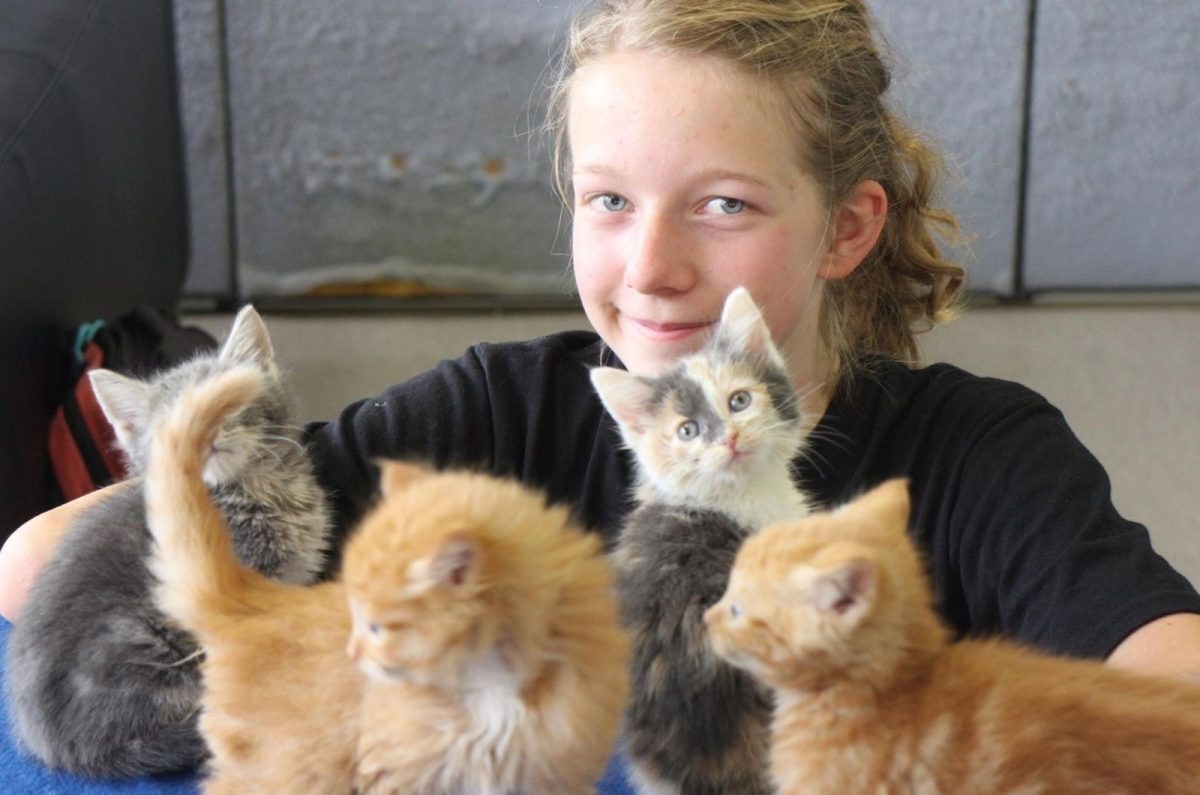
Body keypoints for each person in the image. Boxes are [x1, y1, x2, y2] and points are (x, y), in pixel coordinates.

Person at [3, 0, 1199, 681]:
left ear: (846, 228)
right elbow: (29, 569)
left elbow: (1172, 691)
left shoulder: (978, 460)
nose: (650, 269)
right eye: (609, 202)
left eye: (724, 205)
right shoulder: (499, 416)